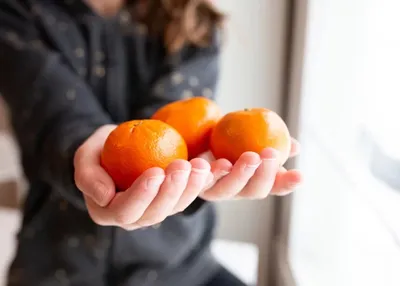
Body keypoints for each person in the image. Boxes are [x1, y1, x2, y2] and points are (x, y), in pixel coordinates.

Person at [0, 0, 302, 285]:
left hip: (181, 271)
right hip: (57, 268)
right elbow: (59, 119)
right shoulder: (18, 13)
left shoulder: (191, 19)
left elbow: (173, 134)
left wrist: (193, 176)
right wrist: (90, 155)